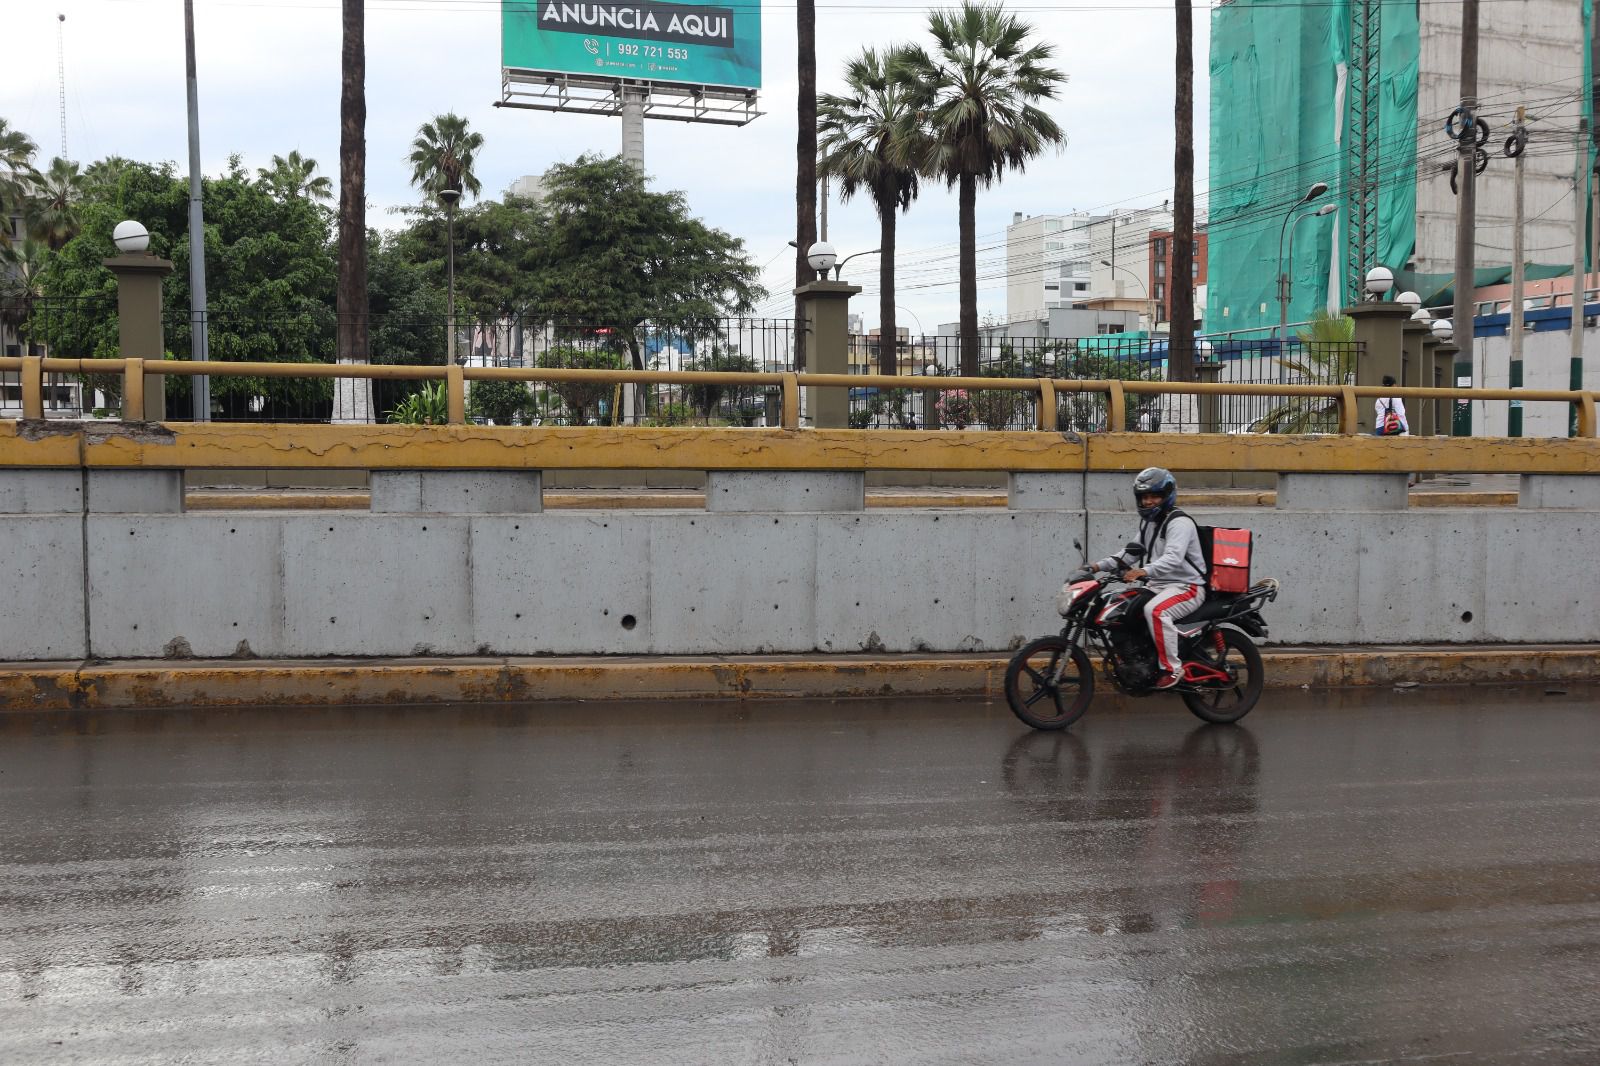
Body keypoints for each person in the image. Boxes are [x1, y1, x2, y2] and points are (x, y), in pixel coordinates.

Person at [1092, 467, 1207, 689]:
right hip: (1158, 586)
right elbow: (1130, 553)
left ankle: (1172, 670)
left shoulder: (1179, 523)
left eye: (1154, 496)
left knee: (1155, 611)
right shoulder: (1149, 523)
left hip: (1187, 586)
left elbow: (1173, 559)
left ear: (1166, 496)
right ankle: (1138, 659)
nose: (1148, 502)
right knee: (1120, 607)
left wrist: (1143, 572)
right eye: (1144, 497)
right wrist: (1096, 566)